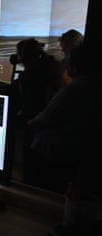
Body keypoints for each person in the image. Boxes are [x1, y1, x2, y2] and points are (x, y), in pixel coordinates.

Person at [26, 44, 98, 195]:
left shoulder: (73, 89)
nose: (65, 63)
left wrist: (30, 124)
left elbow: (45, 118)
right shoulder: (91, 86)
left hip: (54, 153)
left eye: (68, 61)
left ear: (76, 66)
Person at [10, 38, 63, 187]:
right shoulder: (50, 71)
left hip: (32, 127)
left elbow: (18, 105)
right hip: (48, 130)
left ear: (21, 57)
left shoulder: (26, 79)